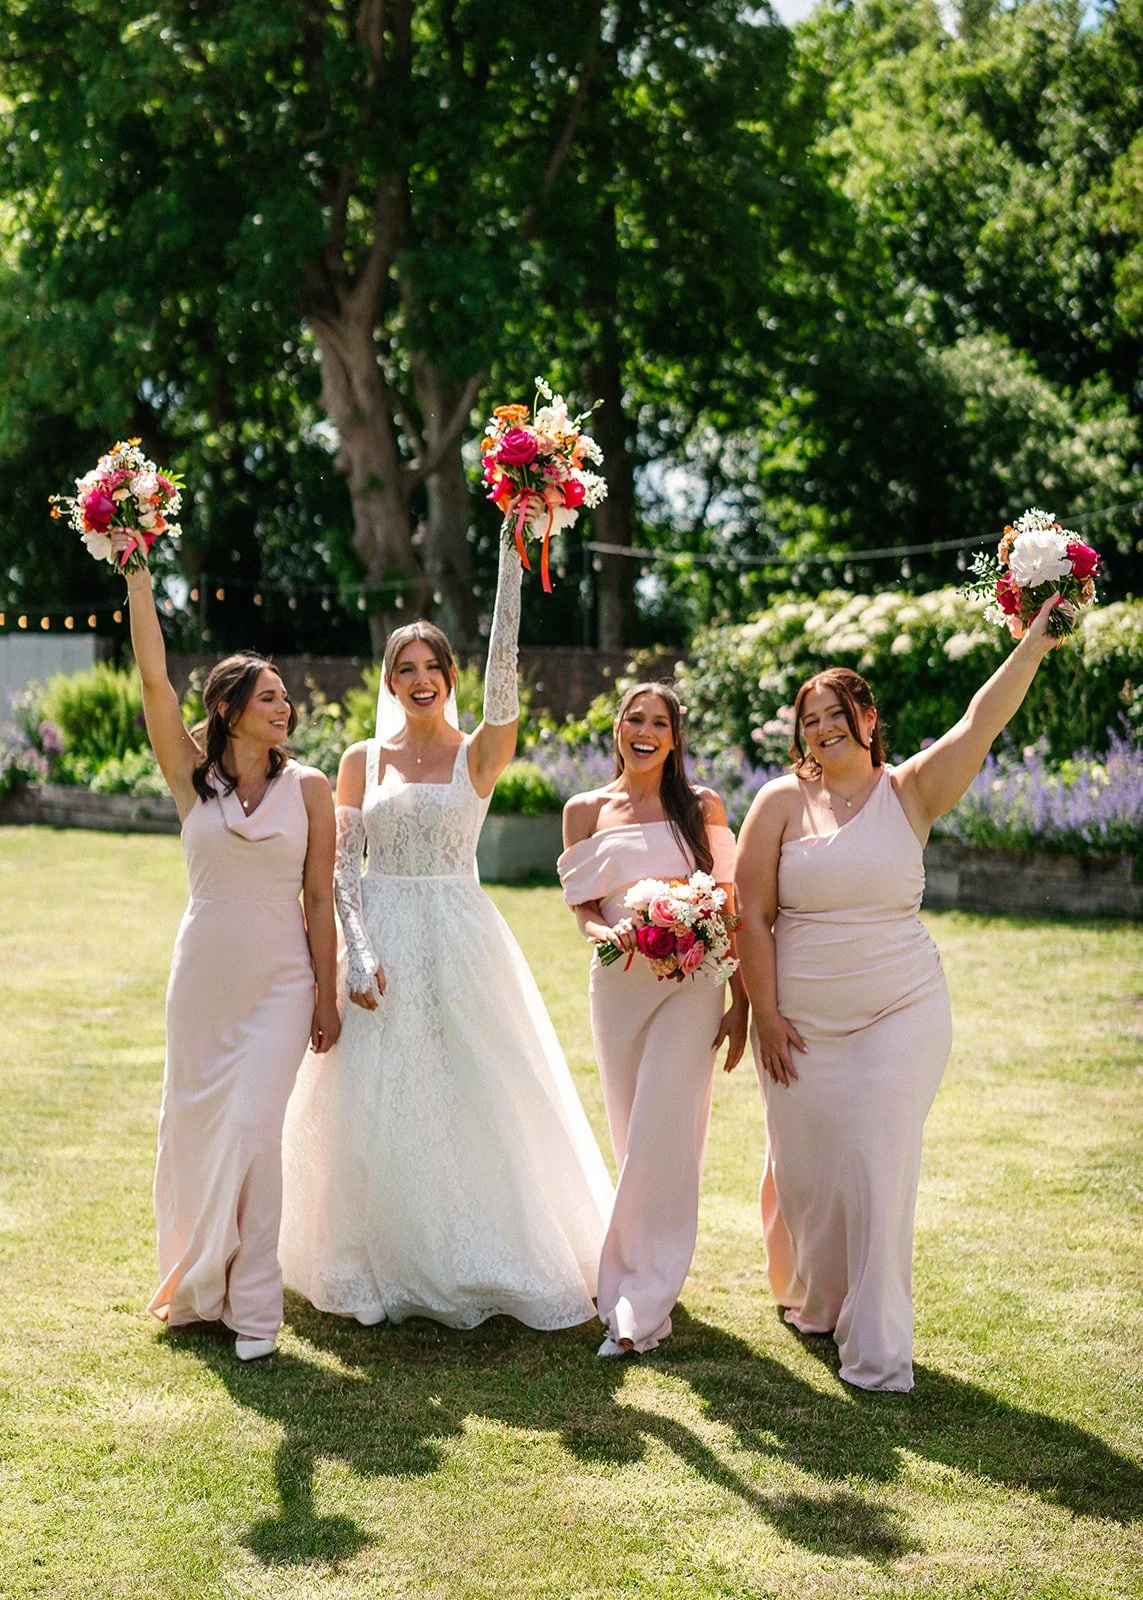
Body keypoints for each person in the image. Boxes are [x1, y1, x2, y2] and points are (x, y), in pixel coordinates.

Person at [279, 542, 613, 1330]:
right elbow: (344, 868)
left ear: (450, 678)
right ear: (389, 682)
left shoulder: (479, 752)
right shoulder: (363, 758)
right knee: (376, 1098)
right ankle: (379, 1254)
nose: (420, 679)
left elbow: (505, 689)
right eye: (405, 669)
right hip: (384, 936)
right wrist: (356, 951)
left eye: (433, 666)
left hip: (461, 933)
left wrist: (510, 554)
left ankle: (486, 1249)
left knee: (481, 1087)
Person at [734, 595, 1065, 1392]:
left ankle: (878, 1352)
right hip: (801, 1026)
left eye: (835, 712)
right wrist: (766, 1017)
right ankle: (818, 1299)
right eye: (808, 719)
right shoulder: (780, 802)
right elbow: (748, 911)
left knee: (879, 1161)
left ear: (868, 715)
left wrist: (1033, 642)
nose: (821, 729)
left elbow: (980, 722)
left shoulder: (910, 791)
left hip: (900, 1013)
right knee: (813, 1175)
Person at [121, 550, 338, 1363]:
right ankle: (198, 1288)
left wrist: (325, 992)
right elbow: (153, 685)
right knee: (197, 1129)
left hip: (282, 981)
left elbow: (318, 898)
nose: (285, 706)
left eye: (286, 697)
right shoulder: (192, 779)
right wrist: (138, 578)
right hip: (203, 978)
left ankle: (254, 1312)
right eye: (269, 695)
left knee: (254, 1132)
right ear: (228, 706)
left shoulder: (310, 787)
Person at [557, 683, 749, 1356]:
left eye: (658, 723)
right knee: (629, 1132)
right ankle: (646, 1266)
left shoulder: (700, 808)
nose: (644, 731)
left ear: (674, 738)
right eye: (634, 719)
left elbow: (729, 904)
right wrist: (599, 934)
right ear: (617, 728)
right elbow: (581, 905)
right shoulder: (584, 809)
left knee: (662, 1134)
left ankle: (638, 1304)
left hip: (690, 986)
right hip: (618, 987)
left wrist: (742, 1002)